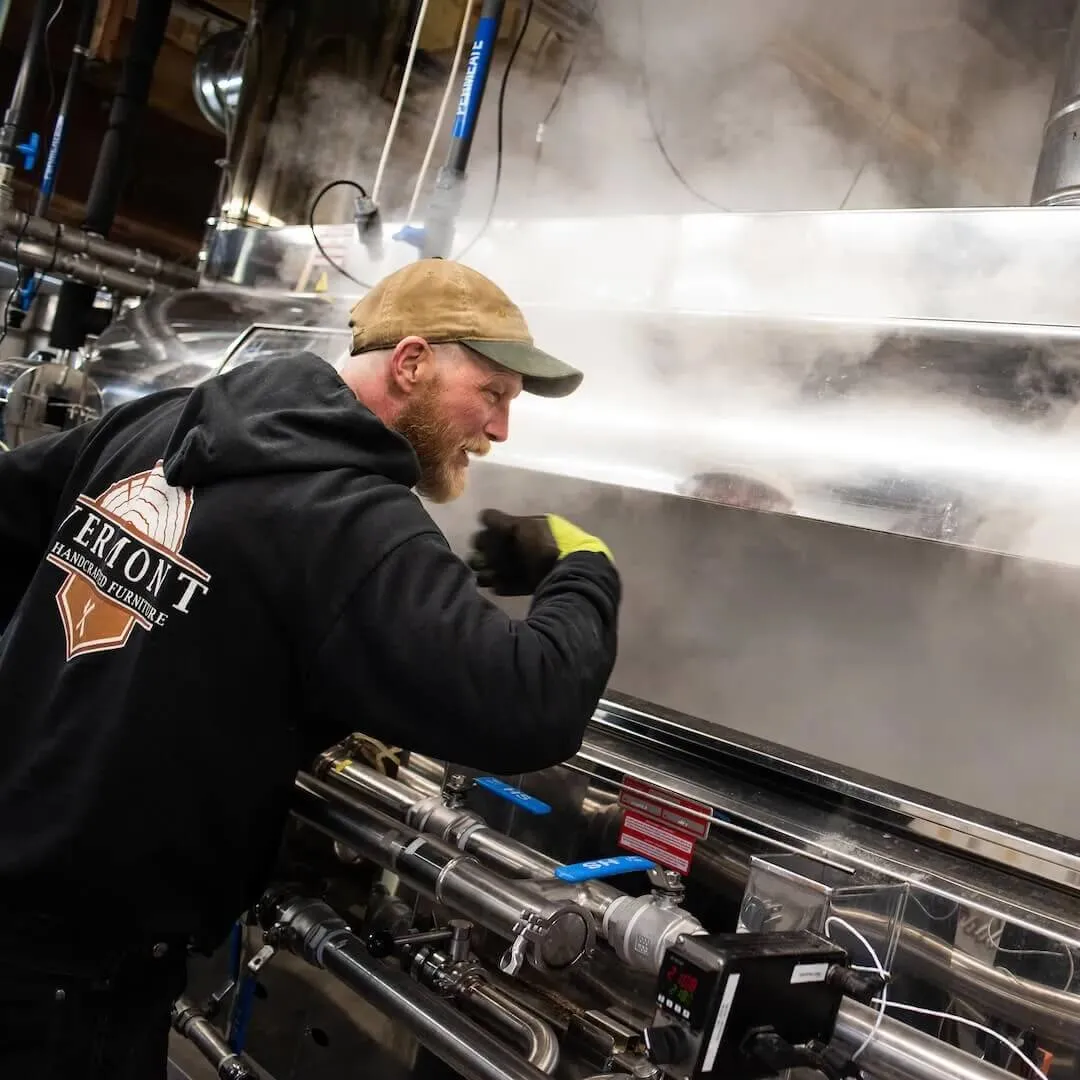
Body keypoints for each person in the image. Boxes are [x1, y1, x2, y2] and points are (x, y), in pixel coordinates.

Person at [0, 258, 620, 1077]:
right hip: (74, 979)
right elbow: (528, 702)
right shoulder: (354, 521)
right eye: (494, 394)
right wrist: (585, 563)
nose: (500, 430)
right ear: (412, 362)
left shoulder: (160, 421)